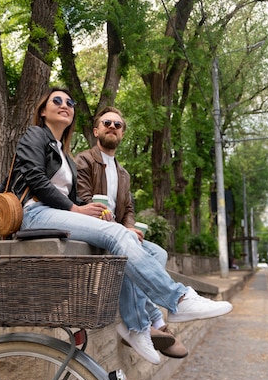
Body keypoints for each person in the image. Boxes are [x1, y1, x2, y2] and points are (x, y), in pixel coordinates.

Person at [13, 87, 232, 365]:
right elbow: (35, 178)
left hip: (56, 214)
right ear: (43, 110)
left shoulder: (65, 155)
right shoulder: (36, 135)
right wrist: (79, 209)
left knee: (150, 251)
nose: (65, 104)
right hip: (33, 213)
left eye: (70, 102)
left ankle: (139, 327)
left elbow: (92, 202)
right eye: (57, 100)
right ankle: (174, 303)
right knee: (118, 235)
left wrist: (89, 212)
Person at [75, 106, 188, 360]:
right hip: (95, 232)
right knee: (128, 252)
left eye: (117, 124)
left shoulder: (123, 173)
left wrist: (129, 226)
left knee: (158, 253)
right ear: (96, 131)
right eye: (107, 123)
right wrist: (111, 222)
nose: (112, 127)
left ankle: (151, 321)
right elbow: (81, 197)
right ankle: (143, 325)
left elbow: (128, 208)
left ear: (123, 133)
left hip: (118, 231)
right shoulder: (84, 160)